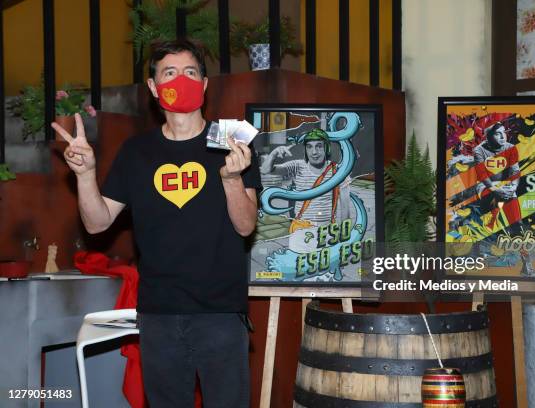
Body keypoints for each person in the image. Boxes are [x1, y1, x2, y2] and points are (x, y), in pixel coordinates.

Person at [53, 39, 260, 408]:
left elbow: (246, 226)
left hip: (221, 315)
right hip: (159, 317)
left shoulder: (233, 145)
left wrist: (230, 179)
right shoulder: (136, 153)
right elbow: (98, 224)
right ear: (153, 87)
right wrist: (85, 175)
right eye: (169, 72)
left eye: (190, 72)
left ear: (205, 84)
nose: (181, 79)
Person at [260, 128, 350, 233]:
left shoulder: (339, 172)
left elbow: (345, 208)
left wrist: (345, 237)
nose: (314, 152)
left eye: (319, 146)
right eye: (309, 147)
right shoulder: (297, 166)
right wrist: (274, 153)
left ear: (327, 148)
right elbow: (266, 170)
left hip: (325, 231)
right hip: (300, 229)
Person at [473, 121, 521, 230]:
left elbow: (515, 171)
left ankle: (517, 228)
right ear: (488, 136)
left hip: (505, 185)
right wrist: (495, 189)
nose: (503, 136)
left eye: (504, 132)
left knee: (511, 194)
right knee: (495, 194)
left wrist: (513, 186)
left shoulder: (511, 147)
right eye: (498, 133)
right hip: (485, 185)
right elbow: (482, 175)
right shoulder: (479, 150)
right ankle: (490, 224)